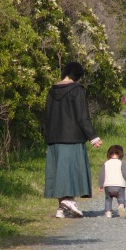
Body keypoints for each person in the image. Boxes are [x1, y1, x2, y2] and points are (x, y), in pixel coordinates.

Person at [44, 62, 102, 218]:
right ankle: (69, 201)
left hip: (54, 138)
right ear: (78, 76)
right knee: (70, 172)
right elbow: (82, 117)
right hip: (72, 137)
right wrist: (93, 137)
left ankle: (61, 208)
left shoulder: (51, 91)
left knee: (60, 172)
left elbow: (47, 117)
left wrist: (48, 140)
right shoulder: (77, 90)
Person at [98, 145, 126, 219]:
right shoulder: (121, 163)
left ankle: (108, 212)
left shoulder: (106, 163)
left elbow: (102, 175)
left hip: (108, 186)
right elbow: (125, 174)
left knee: (108, 199)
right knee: (121, 198)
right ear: (121, 154)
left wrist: (100, 185)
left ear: (108, 154)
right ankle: (121, 205)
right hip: (119, 185)